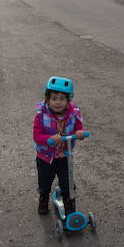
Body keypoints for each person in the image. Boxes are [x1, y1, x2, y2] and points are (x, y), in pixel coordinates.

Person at [33, 76, 85, 216]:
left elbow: (78, 125)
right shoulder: (41, 115)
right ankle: (43, 198)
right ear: (47, 99)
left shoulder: (73, 113)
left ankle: (69, 201)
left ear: (68, 101)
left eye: (62, 98)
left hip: (64, 156)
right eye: (54, 98)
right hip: (45, 157)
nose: (57, 102)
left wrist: (79, 131)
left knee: (67, 182)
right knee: (44, 182)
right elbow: (37, 136)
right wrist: (50, 138)